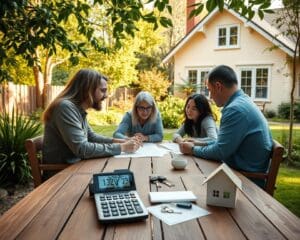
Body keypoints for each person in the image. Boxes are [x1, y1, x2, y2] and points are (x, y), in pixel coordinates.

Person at [179, 65, 273, 187]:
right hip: (238, 171)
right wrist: (198, 143)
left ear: (218, 86)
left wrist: (192, 150)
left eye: (210, 90)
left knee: (188, 181)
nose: (210, 97)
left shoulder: (235, 110)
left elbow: (220, 152)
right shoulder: (243, 101)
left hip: (245, 180)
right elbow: (223, 144)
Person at [42, 69, 141, 164]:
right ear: (87, 90)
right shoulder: (65, 107)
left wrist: (122, 141)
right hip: (61, 173)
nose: (106, 95)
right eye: (102, 90)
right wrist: (122, 147)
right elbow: (82, 149)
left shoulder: (76, 109)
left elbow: (91, 137)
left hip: (76, 166)